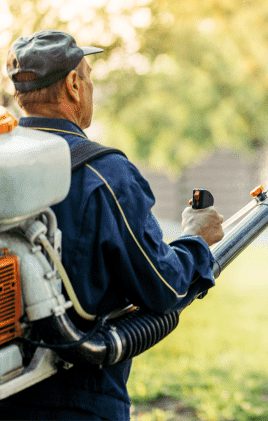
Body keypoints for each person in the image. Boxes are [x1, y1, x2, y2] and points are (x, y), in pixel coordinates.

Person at [0, 29, 225, 420]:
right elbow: (165, 286)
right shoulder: (103, 173)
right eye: (88, 76)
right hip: (79, 401)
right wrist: (196, 238)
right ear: (74, 84)